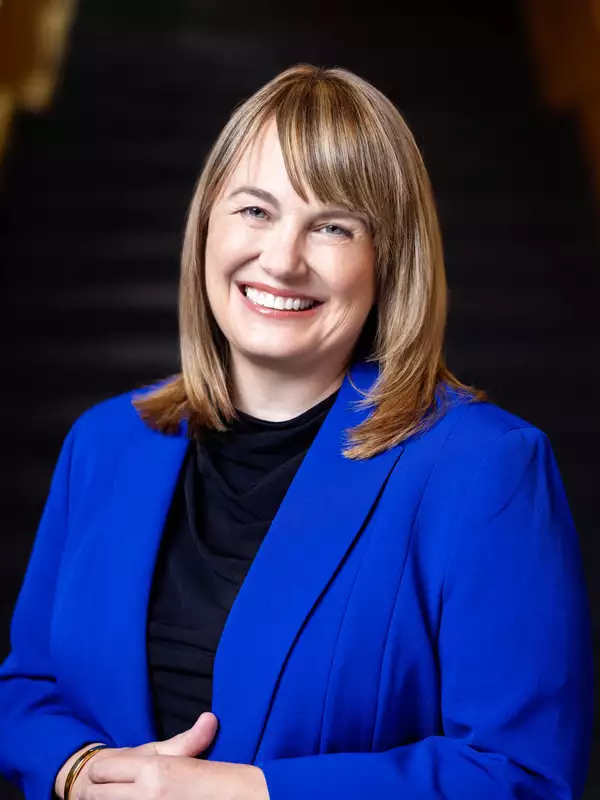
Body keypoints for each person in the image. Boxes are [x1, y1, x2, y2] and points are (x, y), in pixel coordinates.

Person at [0, 63, 593, 800]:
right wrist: (77, 770)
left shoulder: (486, 468)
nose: (281, 259)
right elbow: (27, 687)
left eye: (333, 226)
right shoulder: (104, 443)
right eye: (254, 211)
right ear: (207, 224)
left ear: (388, 260)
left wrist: (236, 792)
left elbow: (522, 775)